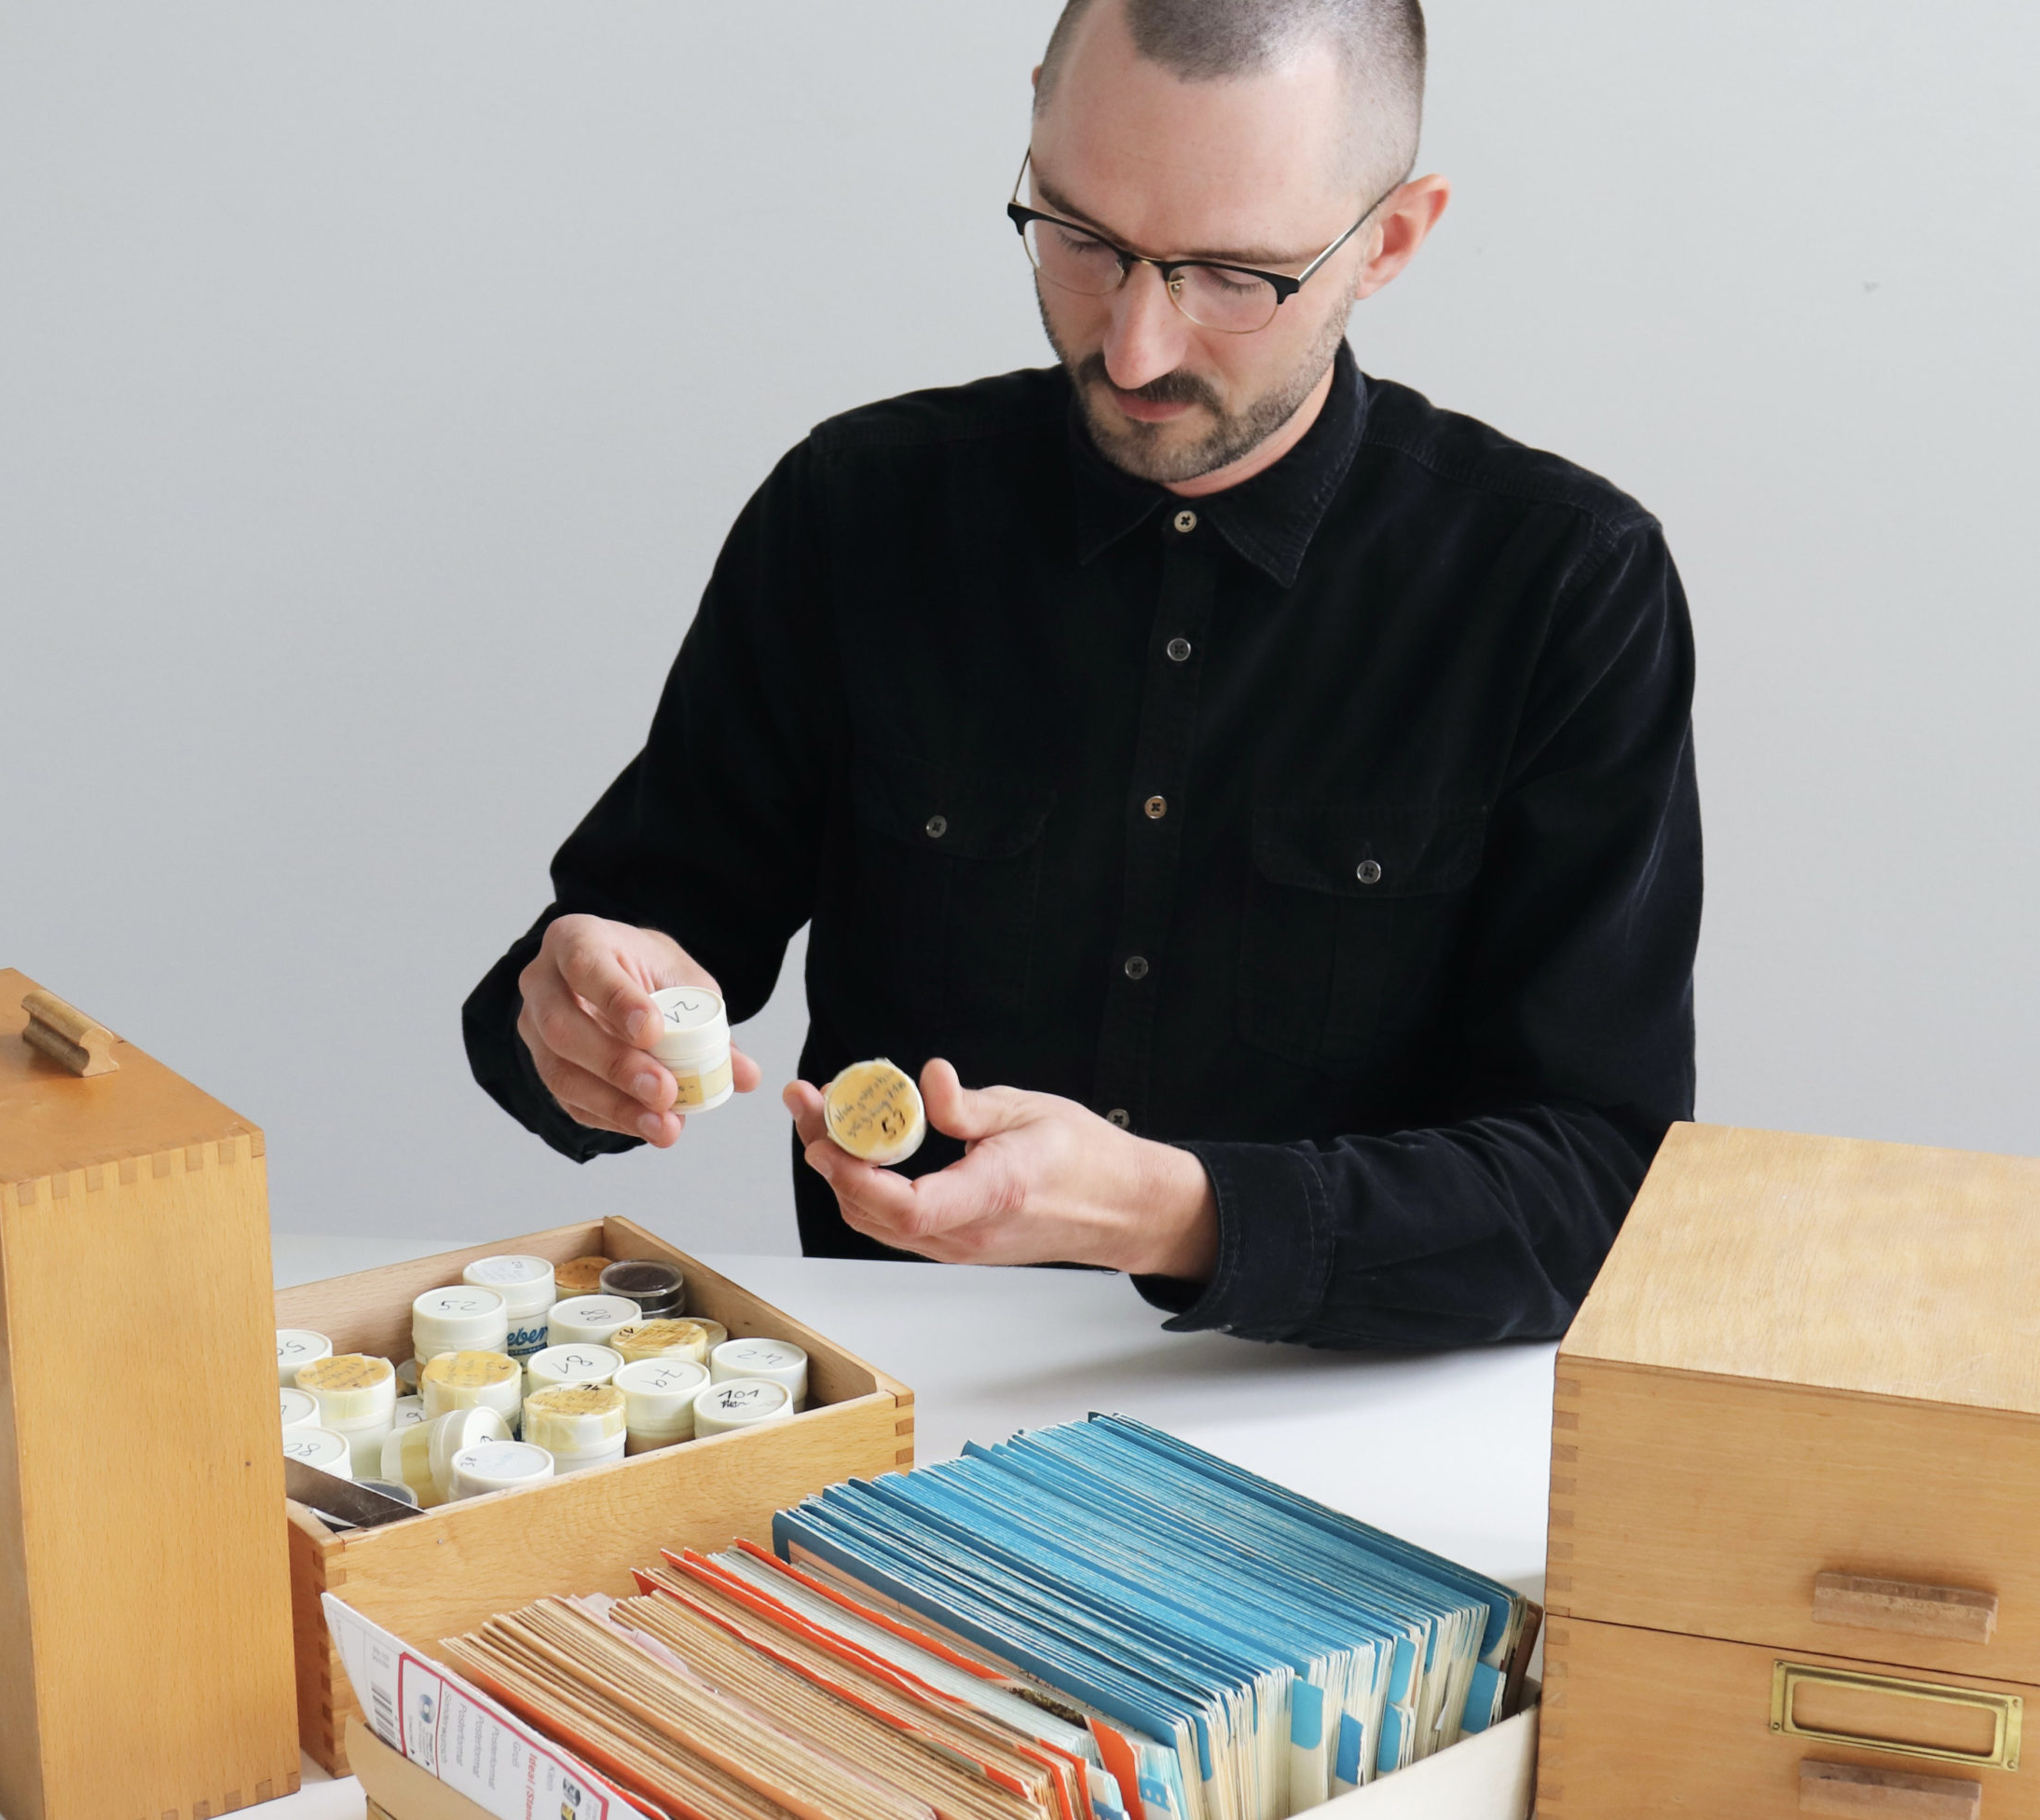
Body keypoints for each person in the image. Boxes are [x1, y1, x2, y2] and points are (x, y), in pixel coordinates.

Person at [463, 0, 1699, 1348]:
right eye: (1082, 240)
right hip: (903, 1405)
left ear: (1390, 238)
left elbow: (1603, 1188)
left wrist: (1177, 1211)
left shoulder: (1565, 585)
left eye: (1233, 275)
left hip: (1354, 1430)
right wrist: (574, 1023)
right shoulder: (854, 513)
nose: (1134, 348)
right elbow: (631, 938)